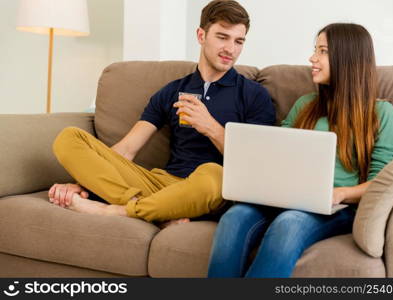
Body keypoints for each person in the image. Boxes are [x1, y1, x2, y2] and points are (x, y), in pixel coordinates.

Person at [47, 0, 276, 226]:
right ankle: (155, 211)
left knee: (214, 174)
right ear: (201, 35)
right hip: (160, 183)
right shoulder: (172, 91)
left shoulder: (254, 95)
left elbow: (254, 165)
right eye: (222, 37)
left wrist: (211, 127)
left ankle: (114, 211)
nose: (231, 49)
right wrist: (86, 182)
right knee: (69, 137)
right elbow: (126, 150)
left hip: (206, 189)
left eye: (239, 41)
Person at [207, 23, 393, 277]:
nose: (312, 58)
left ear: (346, 58)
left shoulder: (381, 113)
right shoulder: (305, 105)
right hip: (283, 197)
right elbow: (278, 155)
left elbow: (382, 182)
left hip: (337, 207)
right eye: (315, 50)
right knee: (233, 218)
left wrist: (340, 194)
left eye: (322, 51)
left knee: (290, 224)